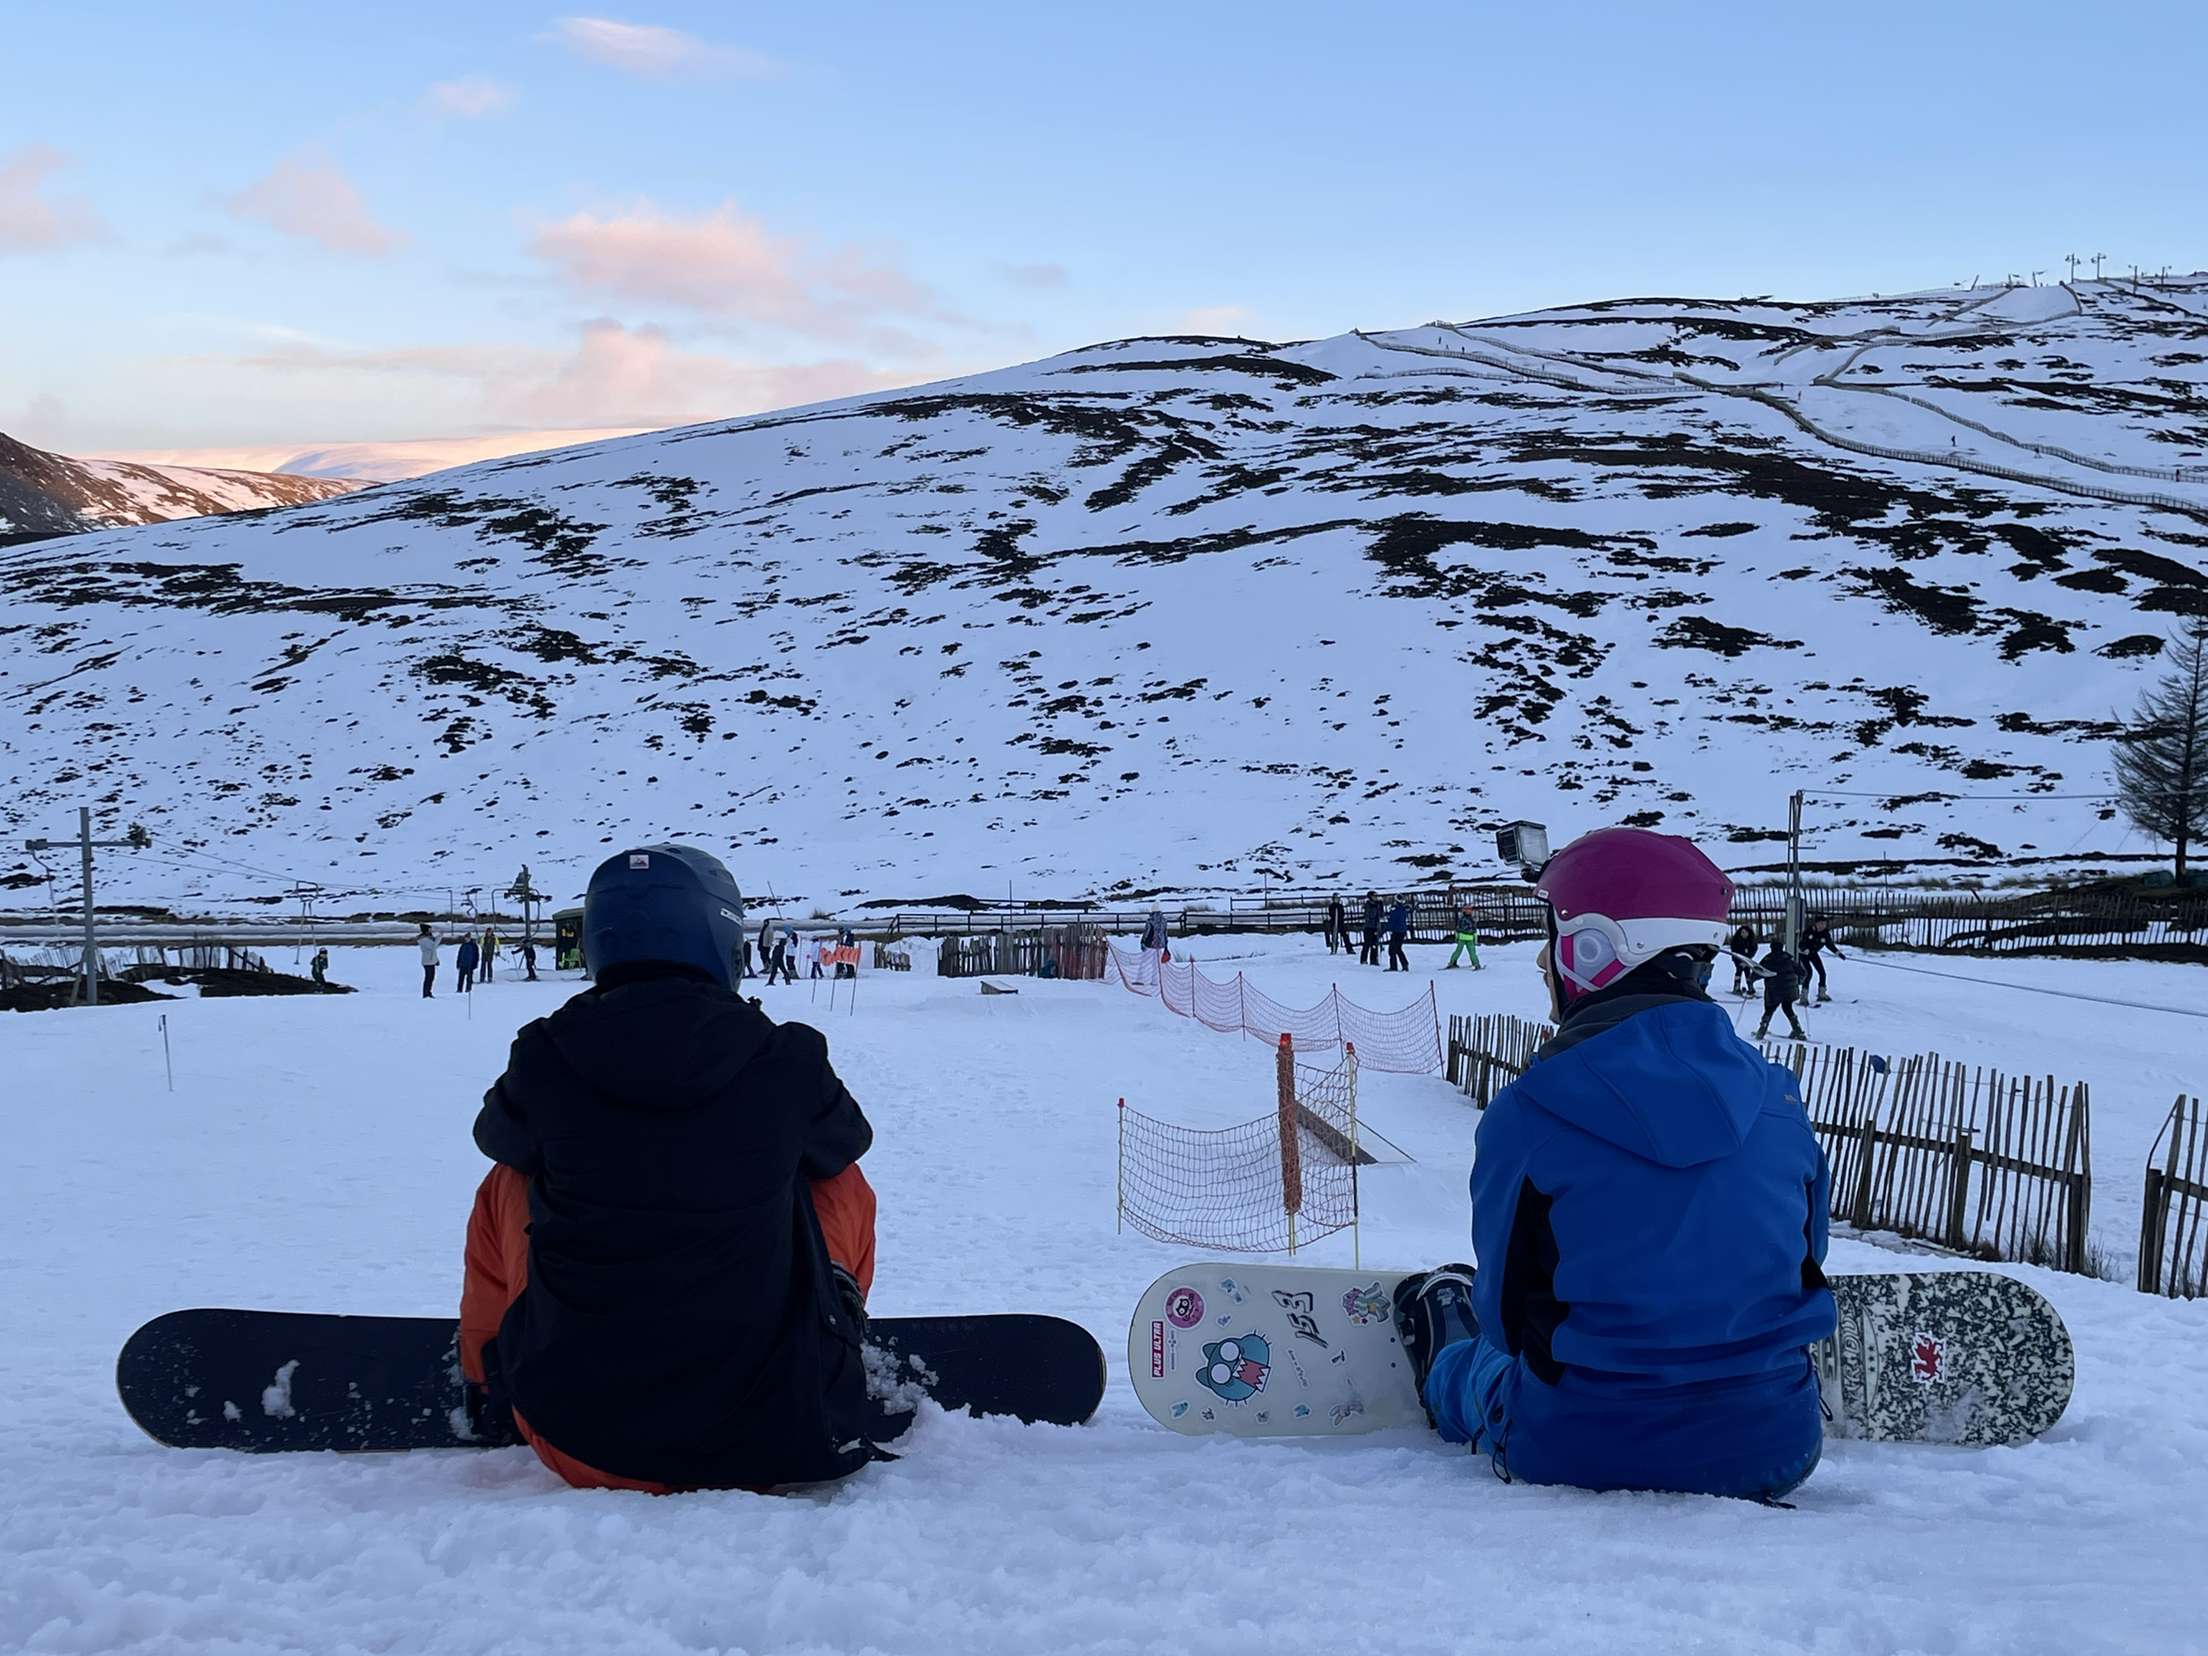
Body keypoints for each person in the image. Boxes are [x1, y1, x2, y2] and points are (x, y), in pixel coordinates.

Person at [1391, 826, 1835, 1500]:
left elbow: (1509, 1320)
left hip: (1579, 1443)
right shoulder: (1779, 1099)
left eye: (1554, 939)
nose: (1544, 961)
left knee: (1476, 1369)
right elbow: (1809, 1254)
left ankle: (1440, 1345)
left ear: (1592, 949)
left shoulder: (1531, 1113)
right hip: (1779, 1445)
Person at [458, 843, 879, 1493]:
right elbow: (848, 1141)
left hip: (575, 1437)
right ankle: (831, 1319)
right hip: (777, 1433)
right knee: (834, 1175)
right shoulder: (784, 1057)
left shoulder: (545, 1054)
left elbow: (496, 1137)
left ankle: (488, 1384)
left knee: (507, 1179)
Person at [1753, 933, 1808, 1041]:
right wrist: (1799, 982)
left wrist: (1751, 979)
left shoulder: (1768, 959)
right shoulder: (1788, 958)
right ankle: (1798, 1031)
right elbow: (1802, 972)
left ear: (1771, 947)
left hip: (1774, 991)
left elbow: (1759, 972)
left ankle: (1761, 1031)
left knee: (1769, 1010)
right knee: (1788, 1008)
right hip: (1790, 991)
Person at [1800, 916, 1845, 1004]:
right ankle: (1803, 997)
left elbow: (1829, 945)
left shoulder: (1825, 933)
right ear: (1816, 924)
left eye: (1824, 924)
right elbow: (1801, 943)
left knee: (1822, 973)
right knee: (1808, 973)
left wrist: (1838, 953)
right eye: (1820, 923)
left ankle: (1822, 994)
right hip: (1804, 954)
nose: (1822, 926)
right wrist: (1804, 949)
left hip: (1813, 954)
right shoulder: (1809, 931)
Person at [1445, 902, 1482, 970]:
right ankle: (1452, 963)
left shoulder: (1472, 920)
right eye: (1467, 909)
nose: (1468, 911)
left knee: (1472, 952)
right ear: (1464, 910)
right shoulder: (1462, 919)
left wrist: (1475, 939)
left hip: (1470, 938)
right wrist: (1457, 937)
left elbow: (1474, 930)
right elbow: (1458, 929)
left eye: (1470, 909)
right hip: (1462, 938)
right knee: (1458, 951)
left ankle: (1476, 963)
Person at [1727, 922, 1758, 996]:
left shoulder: (1751, 941)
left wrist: (1747, 959)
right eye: (1742, 932)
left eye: (1745, 932)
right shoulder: (1736, 940)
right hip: (1737, 959)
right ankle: (1736, 986)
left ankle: (1750, 987)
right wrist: (1740, 961)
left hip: (1747, 960)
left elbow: (1753, 950)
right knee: (1739, 970)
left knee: (1747, 972)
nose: (1744, 934)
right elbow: (1734, 951)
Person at [1385, 899, 1411, 972]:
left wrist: (1382, 932)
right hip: (1402, 932)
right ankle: (1405, 964)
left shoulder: (1395, 911)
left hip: (1396, 932)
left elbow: (1391, 923)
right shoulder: (1403, 910)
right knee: (1398, 949)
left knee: (1392, 950)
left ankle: (1394, 966)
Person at [1359, 892, 1382, 967]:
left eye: (1376, 896)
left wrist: (1380, 907)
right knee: (1367, 944)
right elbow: (1370, 916)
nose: (1376, 897)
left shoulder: (1377, 905)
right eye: (1374, 896)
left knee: (1375, 944)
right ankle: (1363, 959)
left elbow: (1381, 915)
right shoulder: (1368, 905)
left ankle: (1374, 959)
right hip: (1369, 927)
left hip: (1375, 927)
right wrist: (1375, 908)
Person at [417, 923, 439, 999]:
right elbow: (433, 946)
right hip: (427, 960)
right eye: (429, 929)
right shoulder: (424, 939)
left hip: (431, 960)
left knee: (431, 977)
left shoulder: (429, 938)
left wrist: (436, 959)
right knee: (428, 978)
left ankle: (428, 992)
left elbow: (433, 950)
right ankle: (426, 993)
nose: (431, 931)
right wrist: (439, 937)